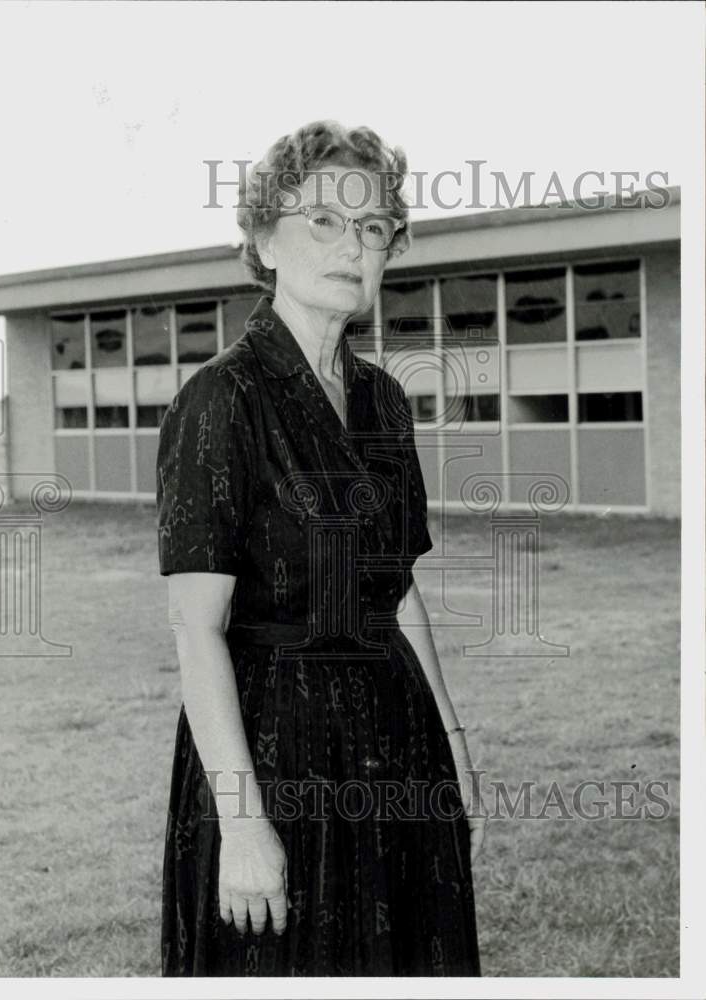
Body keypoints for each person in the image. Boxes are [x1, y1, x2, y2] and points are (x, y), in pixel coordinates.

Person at [156, 120, 487, 976]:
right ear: (265, 238)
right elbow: (197, 631)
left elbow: (397, 589)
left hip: (399, 735)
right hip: (276, 749)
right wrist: (240, 822)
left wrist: (450, 740)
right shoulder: (220, 400)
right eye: (325, 222)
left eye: (374, 228)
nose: (353, 247)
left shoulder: (384, 401)